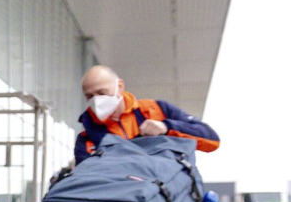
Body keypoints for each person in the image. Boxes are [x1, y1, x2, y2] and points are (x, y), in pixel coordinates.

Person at [76, 65, 220, 164]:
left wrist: (166, 127)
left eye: (102, 93)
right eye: (90, 96)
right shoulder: (87, 138)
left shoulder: (157, 110)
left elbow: (211, 140)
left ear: (119, 87)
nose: (96, 100)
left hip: (167, 201)